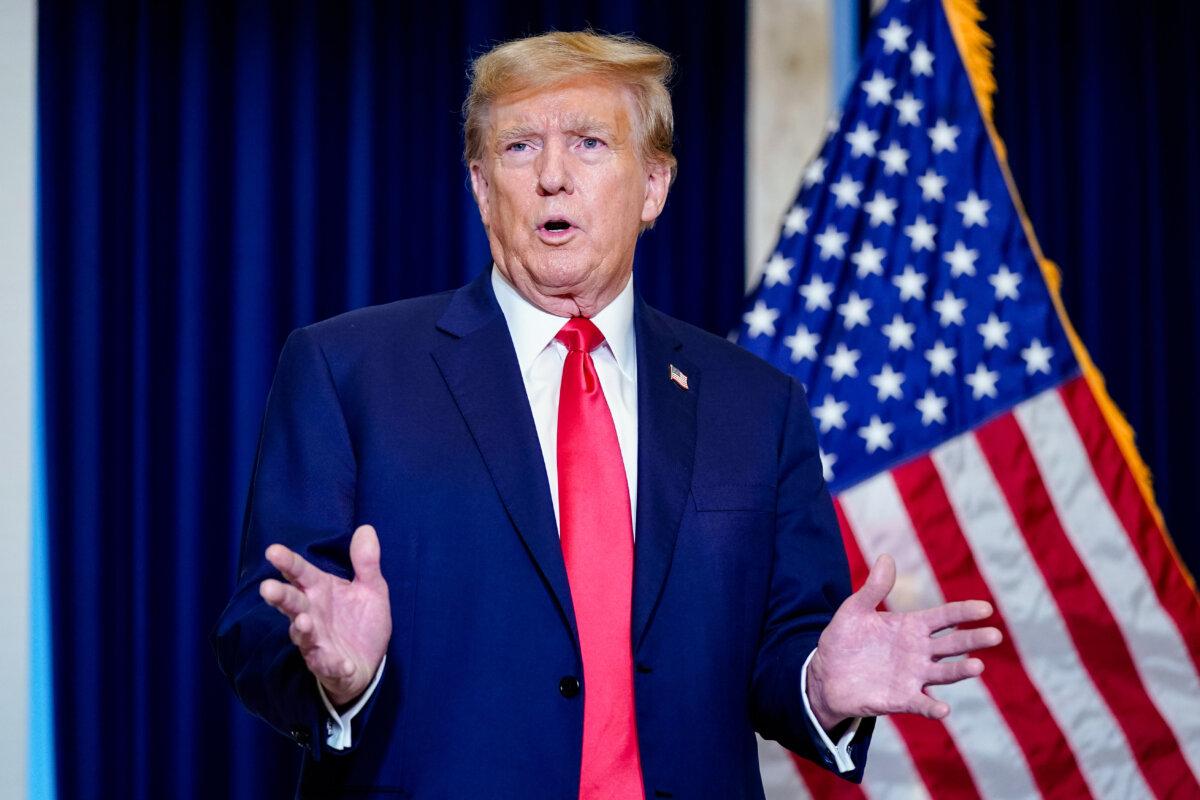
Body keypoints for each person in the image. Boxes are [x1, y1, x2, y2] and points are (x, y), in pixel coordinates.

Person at [214, 30, 1000, 799]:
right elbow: (262, 627)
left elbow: (782, 642)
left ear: (654, 186)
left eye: (589, 143)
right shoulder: (348, 370)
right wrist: (341, 676)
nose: (553, 174)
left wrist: (818, 687)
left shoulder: (758, 405)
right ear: (483, 189)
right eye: (520, 148)